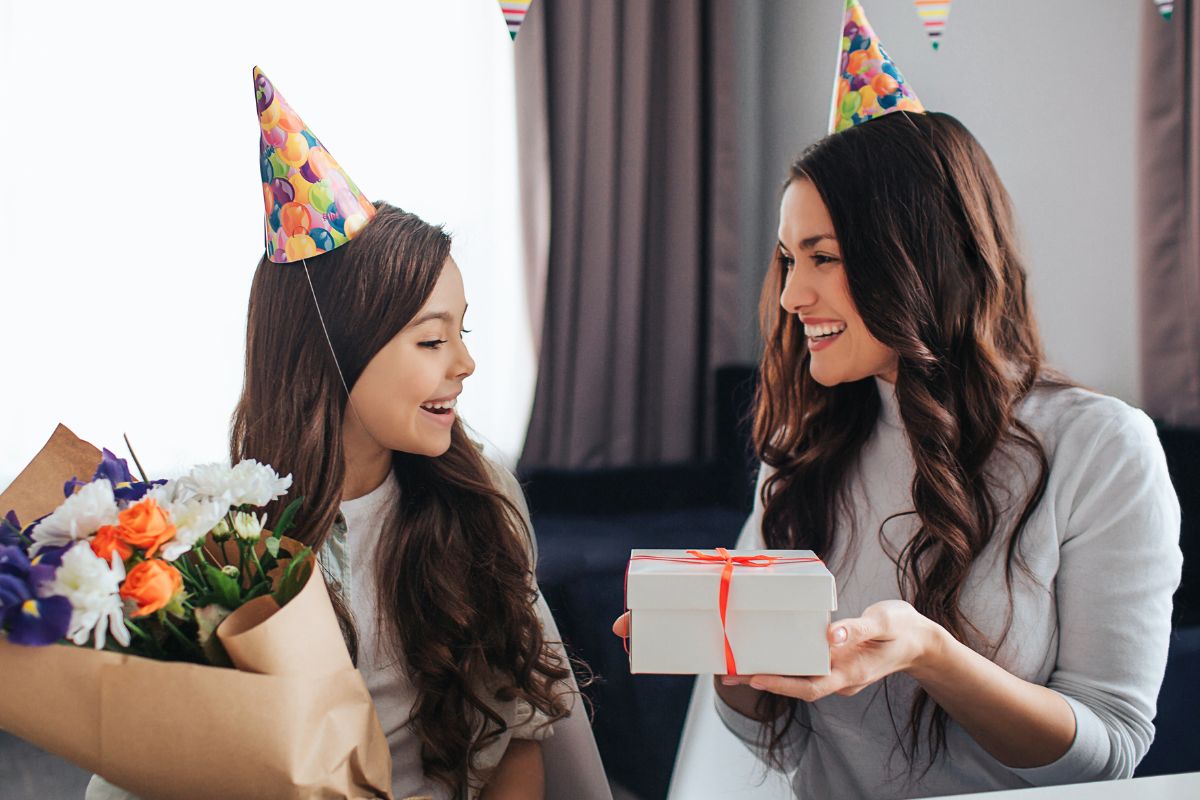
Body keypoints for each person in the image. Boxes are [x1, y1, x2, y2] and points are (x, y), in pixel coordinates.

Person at [615, 3, 1181, 798]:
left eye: (823, 258)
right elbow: (779, 743)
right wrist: (729, 656)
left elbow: (1109, 752)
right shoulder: (807, 445)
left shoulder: (1102, 449)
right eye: (788, 260)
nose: (792, 296)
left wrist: (930, 653)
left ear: (918, 258)